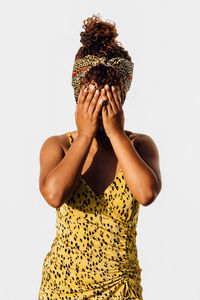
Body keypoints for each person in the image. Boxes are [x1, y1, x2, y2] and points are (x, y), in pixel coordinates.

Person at [38, 13, 162, 300]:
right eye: (92, 100)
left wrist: (117, 135)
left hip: (121, 290)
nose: (100, 108)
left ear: (122, 99)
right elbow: (54, 195)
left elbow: (146, 193)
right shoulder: (58, 146)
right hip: (62, 289)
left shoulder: (140, 146)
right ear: (78, 96)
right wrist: (83, 137)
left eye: (108, 100)